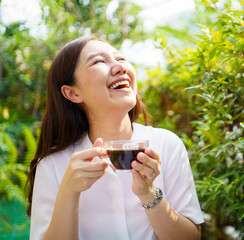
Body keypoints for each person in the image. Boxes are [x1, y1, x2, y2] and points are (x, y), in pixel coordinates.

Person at [26, 36, 204, 240]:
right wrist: (69, 191)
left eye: (120, 59)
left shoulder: (167, 145)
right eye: (99, 62)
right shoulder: (52, 166)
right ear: (72, 93)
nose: (119, 68)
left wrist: (148, 193)